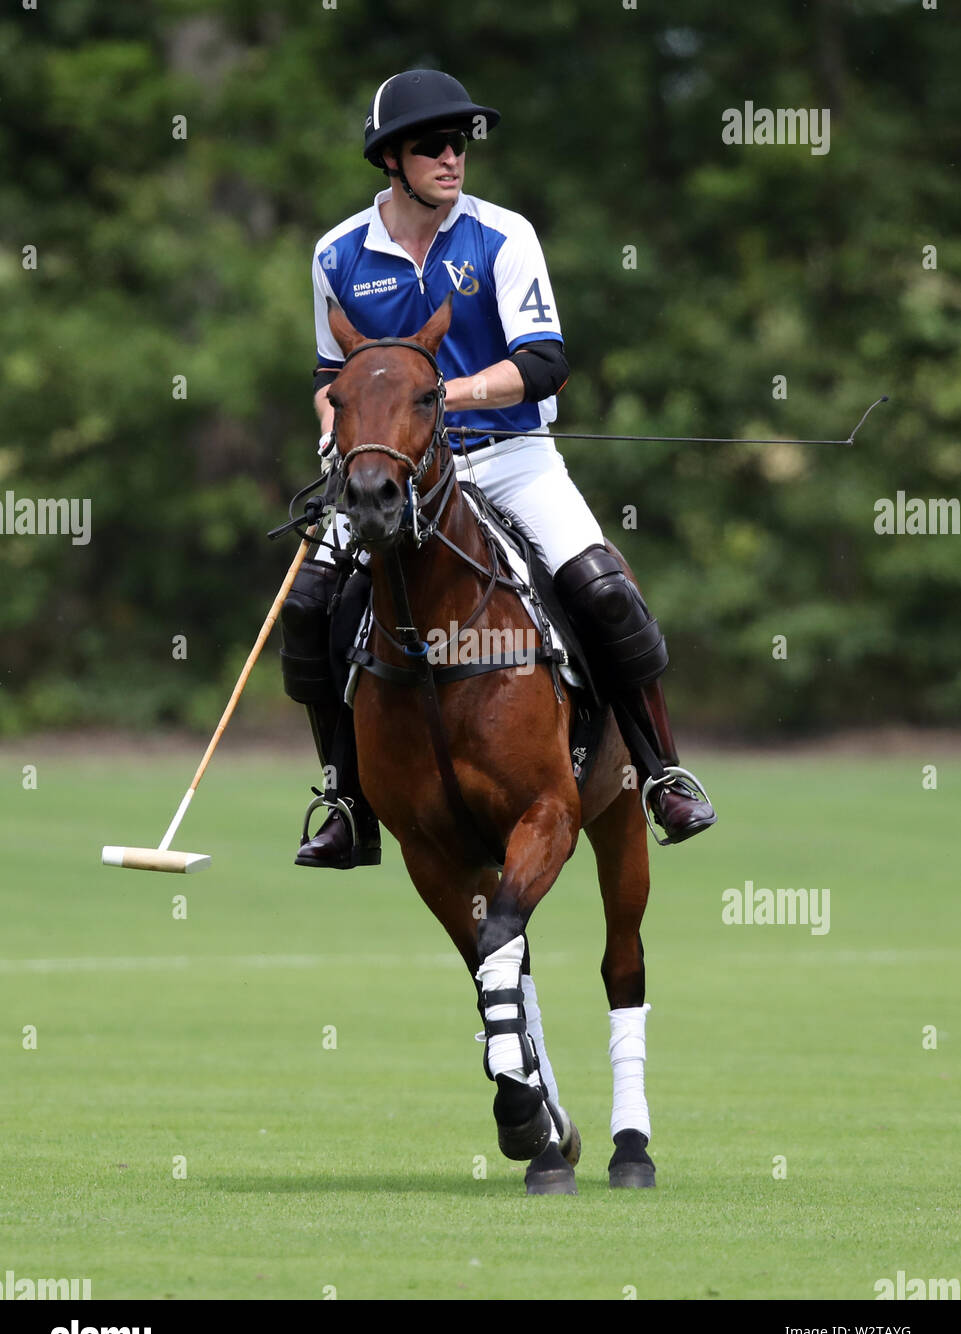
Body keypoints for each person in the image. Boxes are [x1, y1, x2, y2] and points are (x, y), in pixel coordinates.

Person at [280, 69, 716, 869]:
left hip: (511, 460)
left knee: (602, 589)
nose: (454, 157)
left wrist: (441, 396)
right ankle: (345, 799)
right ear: (390, 160)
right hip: (393, 474)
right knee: (312, 605)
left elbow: (544, 363)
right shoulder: (336, 254)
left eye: (461, 143)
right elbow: (326, 377)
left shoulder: (503, 236)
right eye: (433, 145)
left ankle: (660, 772)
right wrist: (337, 435)